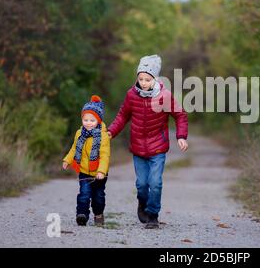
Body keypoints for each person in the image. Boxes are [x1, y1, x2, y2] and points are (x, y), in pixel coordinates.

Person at [107, 54, 188, 229]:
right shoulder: (131, 95)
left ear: (155, 78)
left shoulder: (165, 96)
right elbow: (122, 116)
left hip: (157, 148)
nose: (143, 82)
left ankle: (153, 215)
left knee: (156, 183)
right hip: (138, 148)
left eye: (147, 79)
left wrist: (181, 136)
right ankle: (142, 203)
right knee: (142, 184)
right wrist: (110, 132)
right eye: (141, 78)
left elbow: (180, 115)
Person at [62, 95, 110, 226]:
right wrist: (68, 160)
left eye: (92, 120)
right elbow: (74, 149)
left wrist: (101, 171)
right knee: (84, 194)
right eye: (85, 119)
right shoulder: (79, 133)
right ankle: (82, 215)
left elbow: (105, 155)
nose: (88, 123)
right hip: (84, 172)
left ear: (98, 121)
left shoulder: (103, 136)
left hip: (99, 174)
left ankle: (98, 214)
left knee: (98, 198)